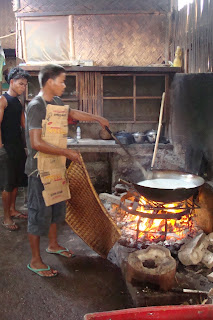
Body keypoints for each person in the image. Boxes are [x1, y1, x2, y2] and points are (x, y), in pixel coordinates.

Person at [25, 64, 109, 277]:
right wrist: (66, 153)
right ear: (49, 82)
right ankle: (35, 261)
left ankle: (53, 245)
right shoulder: (36, 106)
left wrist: (97, 118)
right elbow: (35, 142)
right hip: (39, 171)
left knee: (56, 209)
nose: (64, 85)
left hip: (56, 168)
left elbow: (72, 113)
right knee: (37, 215)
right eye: (61, 81)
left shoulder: (58, 102)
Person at [0, 67, 30, 231]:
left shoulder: (18, 102)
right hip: (6, 148)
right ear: (11, 82)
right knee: (7, 183)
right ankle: (6, 218)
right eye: (20, 84)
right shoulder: (2, 100)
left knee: (17, 180)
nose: (23, 87)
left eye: (25, 85)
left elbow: (24, 125)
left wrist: (30, 143)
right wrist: (1, 148)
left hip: (18, 146)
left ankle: (12, 209)